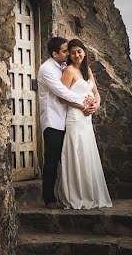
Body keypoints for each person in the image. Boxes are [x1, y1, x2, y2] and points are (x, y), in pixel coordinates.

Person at [37, 36, 95, 208]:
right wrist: (85, 102)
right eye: (64, 51)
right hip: (53, 120)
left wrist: (91, 102)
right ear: (55, 54)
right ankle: (49, 198)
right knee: (52, 159)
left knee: (68, 159)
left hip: (67, 119)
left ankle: (69, 195)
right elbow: (63, 92)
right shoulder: (46, 69)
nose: (68, 53)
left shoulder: (63, 66)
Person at [55, 38, 112, 209]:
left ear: (84, 52)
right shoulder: (69, 71)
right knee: (76, 152)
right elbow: (61, 96)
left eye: (79, 51)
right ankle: (75, 195)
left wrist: (96, 105)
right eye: (72, 53)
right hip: (75, 117)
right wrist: (82, 107)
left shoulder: (87, 70)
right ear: (69, 56)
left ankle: (90, 193)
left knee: (87, 153)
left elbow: (95, 92)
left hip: (87, 119)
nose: (76, 55)